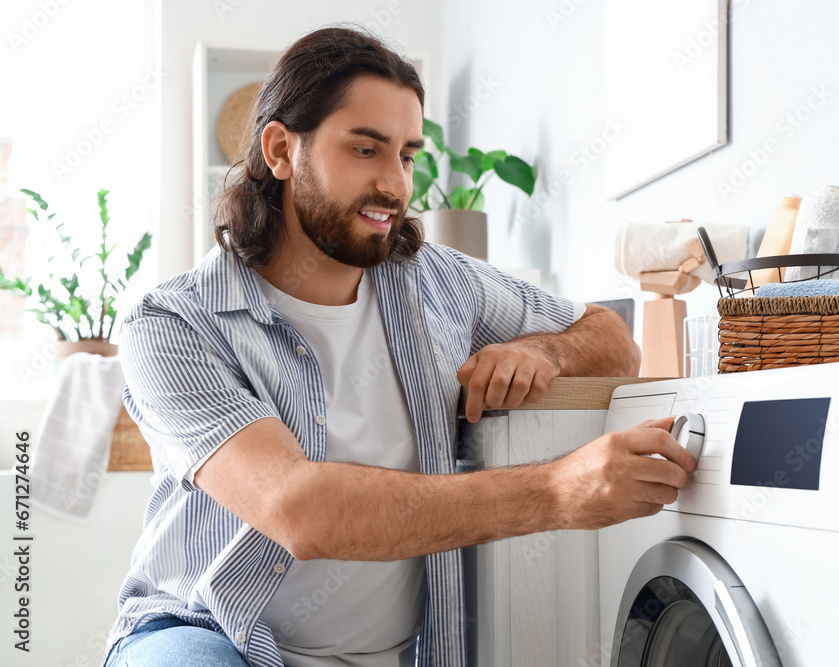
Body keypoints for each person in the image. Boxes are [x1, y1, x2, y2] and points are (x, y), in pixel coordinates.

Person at [102, 26, 694, 667]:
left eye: (407, 156)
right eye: (365, 150)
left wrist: (546, 354)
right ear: (280, 148)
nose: (395, 184)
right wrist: (554, 492)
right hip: (207, 635)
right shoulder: (173, 322)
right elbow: (300, 510)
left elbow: (610, 337)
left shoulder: (436, 281)